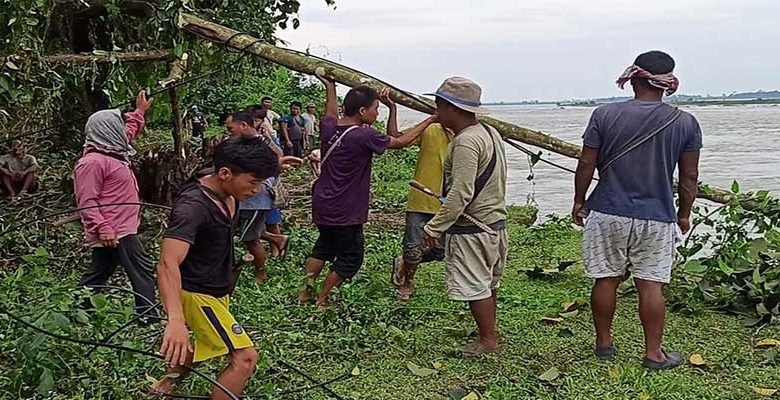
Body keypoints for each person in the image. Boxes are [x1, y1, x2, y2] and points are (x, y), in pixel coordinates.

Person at [572, 50, 702, 370]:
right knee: (650, 283)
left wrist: (579, 200)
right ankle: (654, 354)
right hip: (656, 215)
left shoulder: (604, 114)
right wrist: (684, 213)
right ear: (665, 84)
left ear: (633, 80)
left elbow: (587, 162)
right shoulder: (685, 122)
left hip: (606, 210)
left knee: (605, 279)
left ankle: (604, 344)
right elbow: (689, 177)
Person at [152, 136, 300, 399]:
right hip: (197, 294)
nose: (256, 190)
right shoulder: (193, 207)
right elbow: (167, 264)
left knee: (198, 347)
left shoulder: (226, 184)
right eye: (254, 183)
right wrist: (174, 320)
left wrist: (273, 164)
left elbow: (234, 164)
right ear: (225, 174)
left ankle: (162, 388)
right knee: (245, 357)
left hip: (217, 289)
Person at [297, 73, 437, 307]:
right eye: (376, 108)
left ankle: (304, 294)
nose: (376, 113)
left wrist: (330, 86)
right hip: (346, 208)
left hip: (323, 203)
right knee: (351, 258)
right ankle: (323, 299)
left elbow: (331, 111)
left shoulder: (329, 127)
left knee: (323, 247)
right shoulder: (364, 134)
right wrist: (431, 119)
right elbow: (400, 142)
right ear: (362, 111)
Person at [421, 77, 508, 356]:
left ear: (452, 108)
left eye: (439, 106)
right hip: (494, 224)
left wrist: (434, 227)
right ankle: (490, 332)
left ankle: (487, 341)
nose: (436, 111)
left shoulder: (466, 143)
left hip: (473, 229)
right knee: (487, 283)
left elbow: (460, 193)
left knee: (475, 286)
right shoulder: (490, 133)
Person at [74, 90, 158, 320]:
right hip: (116, 228)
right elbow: (86, 201)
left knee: (99, 272)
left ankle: (78, 312)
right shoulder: (91, 163)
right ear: (107, 131)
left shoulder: (114, 150)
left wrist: (139, 112)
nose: (123, 130)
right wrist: (103, 227)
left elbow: (128, 132)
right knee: (141, 268)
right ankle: (148, 317)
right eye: (117, 126)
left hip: (120, 226)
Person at [391, 122, 452, 300]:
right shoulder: (430, 129)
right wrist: (392, 108)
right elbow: (396, 137)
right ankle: (408, 282)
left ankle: (403, 263)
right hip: (422, 198)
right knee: (412, 247)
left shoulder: (467, 135)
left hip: (449, 204)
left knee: (439, 251)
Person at [228, 109, 289, 282]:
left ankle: (261, 273)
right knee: (244, 232)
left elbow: (275, 165)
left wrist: (263, 184)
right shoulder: (255, 143)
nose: (229, 133)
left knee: (251, 239)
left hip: (255, 200)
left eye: (231, 129)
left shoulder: (260, 146)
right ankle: (278, 239)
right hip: (247, 199)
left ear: (243, 125)